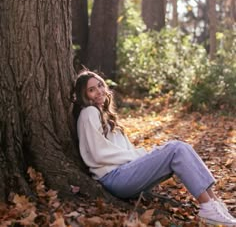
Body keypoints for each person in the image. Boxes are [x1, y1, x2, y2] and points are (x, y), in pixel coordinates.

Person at [71, 69, 236, 226]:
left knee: (180, 148)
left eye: (100, 85)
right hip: (114, 178)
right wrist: (139, 156)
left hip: (125, 174)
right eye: (91, 90)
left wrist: (141, 158)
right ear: (83, 95)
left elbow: (121, 150)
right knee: (176, 148)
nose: (99, 91)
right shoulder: (89, 113)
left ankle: (214, 204)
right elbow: (98, 153)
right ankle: (207, 207)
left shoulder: (105, 115)